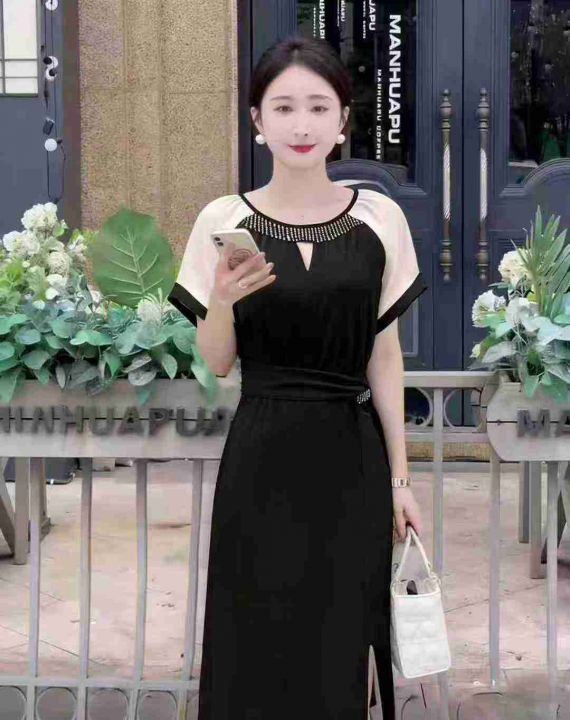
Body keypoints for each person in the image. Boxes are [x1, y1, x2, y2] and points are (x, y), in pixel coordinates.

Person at [168, 33, 427, 720]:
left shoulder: (380, 219)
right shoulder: (223, 220)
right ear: (257, 120)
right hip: (261, 457)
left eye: (319, 106)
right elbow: (216, 361)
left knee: (343, 638)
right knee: (253, 632)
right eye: (283, 107)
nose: (302, 124)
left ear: (343, 121)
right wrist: (221, 299)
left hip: (352, 459)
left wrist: (401, 481)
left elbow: (385, 357)